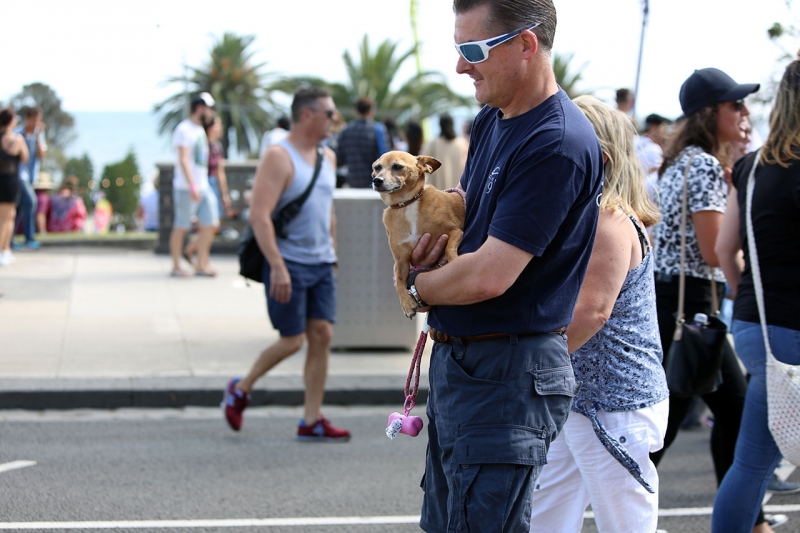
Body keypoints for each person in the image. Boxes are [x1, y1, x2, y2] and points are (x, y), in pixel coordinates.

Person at [408, 1, 604, 530]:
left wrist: (417, 286)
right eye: (458, 50)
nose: (460, 67)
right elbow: (466, 227)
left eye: (472, 51)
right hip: (469, 366)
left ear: (526, 44)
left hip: (506, 373)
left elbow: (489, 274)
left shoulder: (555, 142)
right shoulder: (492, 120)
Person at [649, 68, 780, 532]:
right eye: (735, 105)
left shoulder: (680, 160)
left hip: (678, 301)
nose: (744, 113)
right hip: (693, 304)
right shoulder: (702, 164)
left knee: (723, 411)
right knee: (686, 420)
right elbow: (711, 250)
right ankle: (616, 507)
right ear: (710, 114)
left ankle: (753, 521)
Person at [528, 96, 668, 533]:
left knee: (625, 524)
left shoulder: (609, 221)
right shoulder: (592, 216)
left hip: (613, 403)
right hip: (584, 399)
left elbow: (592, 312)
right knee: (548, 513)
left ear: (598, 158)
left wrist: (525, 369)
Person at [222, 87, 349, 442]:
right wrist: (277, 266)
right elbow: (259, 216)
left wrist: (333, 253)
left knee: (322, 335)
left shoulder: (328, 157)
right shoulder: (279, 157)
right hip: (288, 262)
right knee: (292, 341)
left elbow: (328, 210)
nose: (335, 120)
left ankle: (311, 419)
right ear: (307, 115)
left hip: (321, 262)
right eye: (329, 114)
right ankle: (240, 388)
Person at [712, 53, 800, 533]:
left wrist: (749, 295)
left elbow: (726, 250)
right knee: (753, 463)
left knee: (752, 462)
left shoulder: (751, 167)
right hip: (790, 331)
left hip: (755, 322)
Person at [168, 92, 218, 278]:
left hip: (203, 185)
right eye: (209, 108)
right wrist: (192, 185)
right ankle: (175, 266)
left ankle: (201, 264)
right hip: (186, 187)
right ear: (199, 108)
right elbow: (183, 159)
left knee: (211, 224)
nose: (211, 112)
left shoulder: (199, 131)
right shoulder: (184, 129)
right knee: (181, 225)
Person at [184, 114, 230, 265]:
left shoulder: (217, 146)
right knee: (208, 224)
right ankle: (201, 259)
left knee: (213, 225)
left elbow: (220, 171)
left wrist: (224, 194)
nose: (220, 127)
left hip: (214, 185)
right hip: (204, 184)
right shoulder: (202, 144)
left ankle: (195, 253)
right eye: (217, 124)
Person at [335, 96, 390, 188]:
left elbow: (339, 158)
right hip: (376, 183)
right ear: (371, 111)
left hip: (352, 183)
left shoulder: (346, 131)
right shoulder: (378, 129)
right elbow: (385, 157)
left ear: (356, 111)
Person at [13, 106, 46, 250]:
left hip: (31, 175)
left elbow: (41, 155)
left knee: (19, 207)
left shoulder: (38, 134)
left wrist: (38, 137)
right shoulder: (17, 134)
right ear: (27, 118)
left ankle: (9, 239)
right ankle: (29, 237)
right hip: (19, 175)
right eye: (34, 118)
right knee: (31, 202)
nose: (36, 122)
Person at [0, 107, 29, 266]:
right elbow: (25, 157)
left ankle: (6, 249)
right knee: (6, 218)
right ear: (11, 121)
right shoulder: (16, 139)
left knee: (9, 217)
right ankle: (2, 250)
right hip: (10, 182)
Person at [420, 114, 468, 190]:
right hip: (458, 193)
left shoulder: (432, 144)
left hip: (438, 194)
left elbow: (421, 164)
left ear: (440, 125)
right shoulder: (462, 143)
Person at [635, 113, 671, 200]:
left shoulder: (633, 140)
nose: (664, 134)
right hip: (641, 197)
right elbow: (657, 180)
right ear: (654, 127)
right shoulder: (654, 149)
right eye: (663, 130)